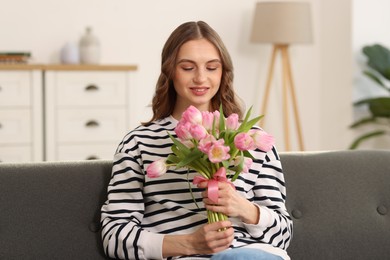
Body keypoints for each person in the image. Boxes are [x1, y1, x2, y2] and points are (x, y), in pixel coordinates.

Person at [101, 21, 292, 260]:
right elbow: (114, 236)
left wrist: (242, 207)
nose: (201, 78)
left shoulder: (251, 139)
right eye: (188, 67)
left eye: (212, 67)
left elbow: (284, 235)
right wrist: (190, 244)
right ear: (170, 71)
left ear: (223, 73)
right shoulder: (138, 143)